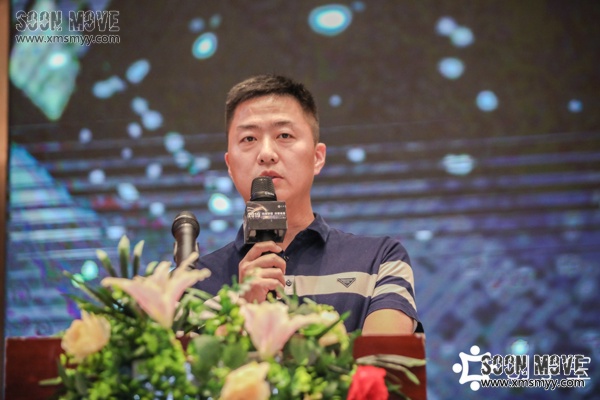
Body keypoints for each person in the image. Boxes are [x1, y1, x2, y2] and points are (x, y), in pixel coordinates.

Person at [197, 74, 421, 335]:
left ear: (317, 157)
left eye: (284, 135)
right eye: (249, 139)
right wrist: (241, 311)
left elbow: (384, 358)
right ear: (229, 165)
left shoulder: (379, 260)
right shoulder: (195, 281)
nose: (266, 154)